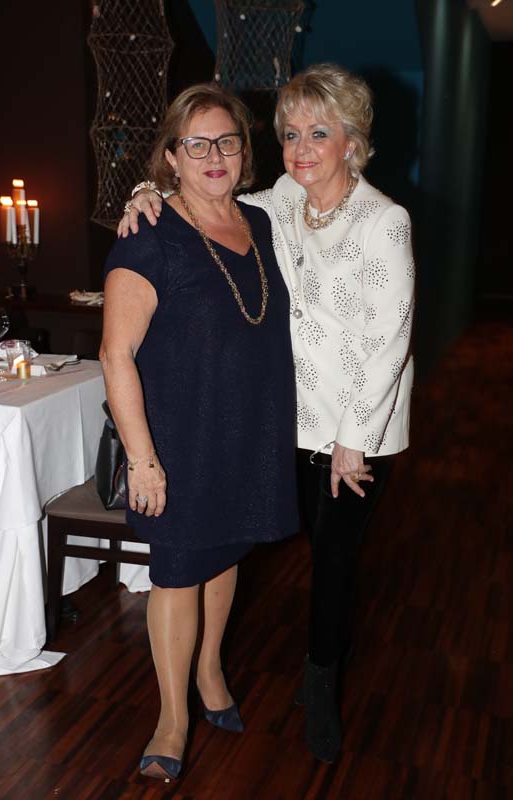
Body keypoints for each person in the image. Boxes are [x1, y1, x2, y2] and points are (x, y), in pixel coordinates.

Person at [120, 63, 415, 763]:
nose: (302, 148)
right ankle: (209, 689)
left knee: (333, 564)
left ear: (352, 141)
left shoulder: (383, 221)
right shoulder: (282, 200)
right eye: (290, 134)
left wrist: (353, 440)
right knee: (248, 544)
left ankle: (321, 685)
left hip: (354, 431)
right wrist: (147, 191)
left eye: (320, 133)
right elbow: (209, 194)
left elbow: (389, 339)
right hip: (285, 421)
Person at [101, 82, 299, 782]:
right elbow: (115, 355)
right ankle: (171, 718)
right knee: (178, 571)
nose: (214, 156)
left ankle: (210, 671)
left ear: (245, 152)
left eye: (227, 141)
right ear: (171, 156)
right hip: (180, 441)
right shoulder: (148, 234)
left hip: (248, 430)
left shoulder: (263, 221)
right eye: (196, 144)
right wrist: (142, 460)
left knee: (225, 552)